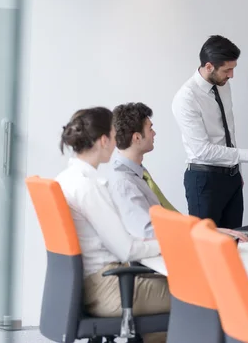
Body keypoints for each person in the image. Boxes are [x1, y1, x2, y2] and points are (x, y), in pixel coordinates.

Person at [55, 107, 169, 343]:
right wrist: (170, 244)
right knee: (199, 294)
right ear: (104, 140)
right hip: (108, 289)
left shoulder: (66, 179)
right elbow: (127, 249)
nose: (119, 141)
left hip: (92, 285)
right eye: (115, 134)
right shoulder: (88, 187)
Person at [108, 102, 248, 241]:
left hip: (188, 238)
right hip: (177, 251)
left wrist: (206, 230)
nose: (154, 133)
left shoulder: (138, 174)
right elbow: (148, 233)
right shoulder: (124, 182)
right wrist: (200, 233)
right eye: (150, 128)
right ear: (137, 137)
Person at [172, 35, 248, 228]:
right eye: (227, 70)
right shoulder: (186, 98)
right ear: (209, 67)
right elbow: (202, 150)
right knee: (207, 246)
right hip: (205, 181)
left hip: (231, 178)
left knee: (236, 241)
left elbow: (229, 132)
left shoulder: (223, 86)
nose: (231, 75)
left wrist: (236, 170)